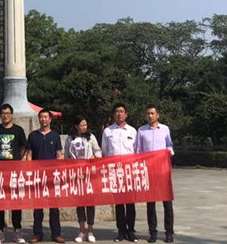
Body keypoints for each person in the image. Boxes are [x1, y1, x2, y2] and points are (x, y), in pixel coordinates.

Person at [0, 103, 28, 244]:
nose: (5, 116)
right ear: (0, 115)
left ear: (12, 115)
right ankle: (0, 232)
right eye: (3, 113)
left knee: (16, 202)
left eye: (8, 113)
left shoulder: (18, 130)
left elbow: (23, 148)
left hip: (14, 172)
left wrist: (17, 160)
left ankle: (17, 231)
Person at [135, 106, 175, 243]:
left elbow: (169, 145)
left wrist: (167, 153)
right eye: (148, 114)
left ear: (158, 115)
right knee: (150, 204)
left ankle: (169, 232)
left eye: (152, 113)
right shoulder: (141, 130)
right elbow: (138, 151)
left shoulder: (165, 129)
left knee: (167, 203)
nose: (150, 116)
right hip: (149, 172)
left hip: (163, 171)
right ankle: (152, 232)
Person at [26, 108, 64, 244]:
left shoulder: (55, 136)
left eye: (46, 117)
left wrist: (59, 173)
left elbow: (59, 155)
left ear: (50, 119)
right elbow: (29, 156)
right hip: (37, 176)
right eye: (41, 117)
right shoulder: (33, 135)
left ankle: (56, 234)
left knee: (54, 207)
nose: (43, 119)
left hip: (52, 176)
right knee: (38, 208)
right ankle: (37, 234)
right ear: (39, 119)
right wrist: (29, 173)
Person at [101, 103, 138, 243]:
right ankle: (121, 231)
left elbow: (137, 151)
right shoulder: (108, 131)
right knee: (119, 203)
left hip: (129, 171)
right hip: (115, 171)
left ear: (126, 114)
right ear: (114, 114)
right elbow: (105, 151)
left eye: (122, 111)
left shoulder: (133, 131)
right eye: (117, 111)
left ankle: (131, 231)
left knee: (130, 203)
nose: (119, 114)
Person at [64, 118, 102, 243]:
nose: (84, 127)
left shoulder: (91, 137)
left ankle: (90, 231)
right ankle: (81, 230)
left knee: (90, 203)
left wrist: (95, 157)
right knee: (80, 203)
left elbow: (98, 151)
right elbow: (66, 156)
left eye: (85, 124)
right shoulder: (70, 139)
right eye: (82, 125)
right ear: (76, 126)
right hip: (76, 175)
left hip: (89, 174)